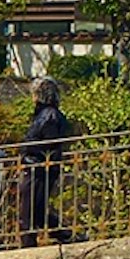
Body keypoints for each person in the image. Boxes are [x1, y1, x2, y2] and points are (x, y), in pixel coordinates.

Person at [19, 80, 80, 242]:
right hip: (37, 167)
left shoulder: (49, 116)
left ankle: (30, 247)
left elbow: (48, 145)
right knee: (35, 211)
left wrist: (27, 150)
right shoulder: (45, 114)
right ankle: (66, 236)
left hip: (38, 169)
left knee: (29, 212)